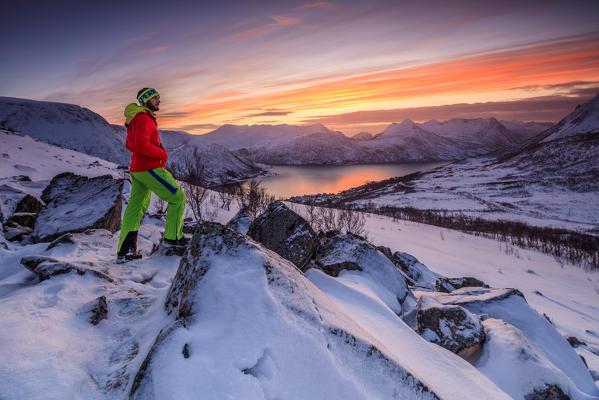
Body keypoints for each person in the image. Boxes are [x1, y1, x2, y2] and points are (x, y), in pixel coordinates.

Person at [117, 87, 187, 262]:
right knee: (177, 197)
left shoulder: (137, 117)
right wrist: (162, 154)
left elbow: (131, 144)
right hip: (149, 168)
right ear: (146, 100)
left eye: (158, 97)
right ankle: (172, 238)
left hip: (138, 168)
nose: (159, 101)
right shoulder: (143, 118)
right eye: (155, 98)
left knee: (135, 207)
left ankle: (125, 250)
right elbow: (140, 145)